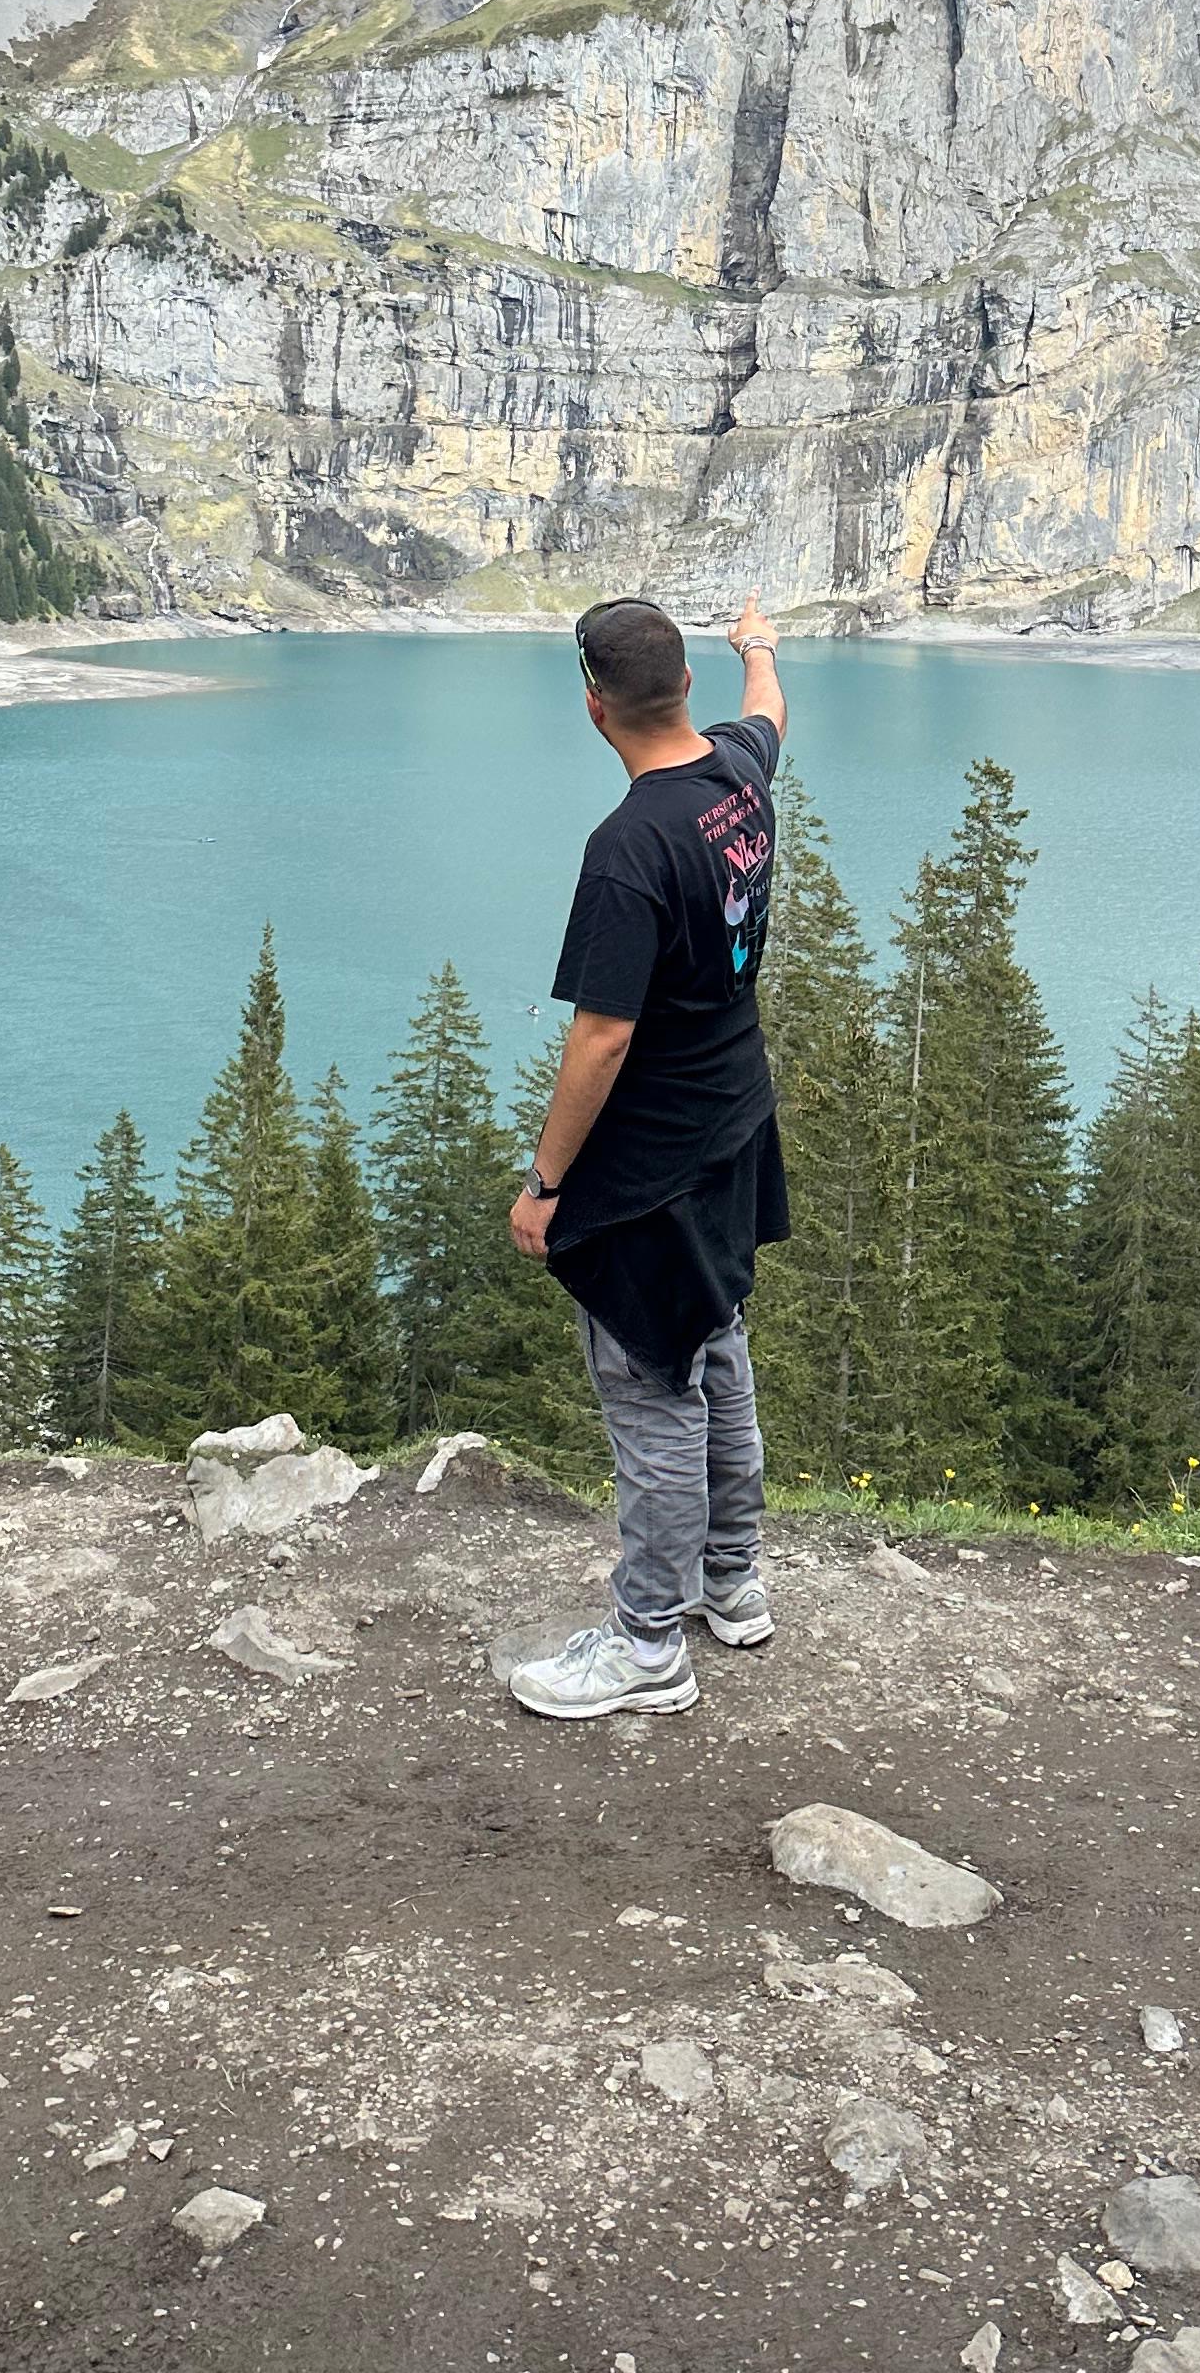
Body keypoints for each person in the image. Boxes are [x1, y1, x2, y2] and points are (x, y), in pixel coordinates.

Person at [504, 591, 789, 1721]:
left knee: (655, 1386)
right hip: (734, 1124)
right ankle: (733, 1583)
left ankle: (649, 1646)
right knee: (716, 1343)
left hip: (652, 1165)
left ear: (593, 706)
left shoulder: (628, 847)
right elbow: (768, 707)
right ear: (683, 692)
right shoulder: (739, 774)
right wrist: (757, 642)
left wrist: (546, 1186)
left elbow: (604, 1034)